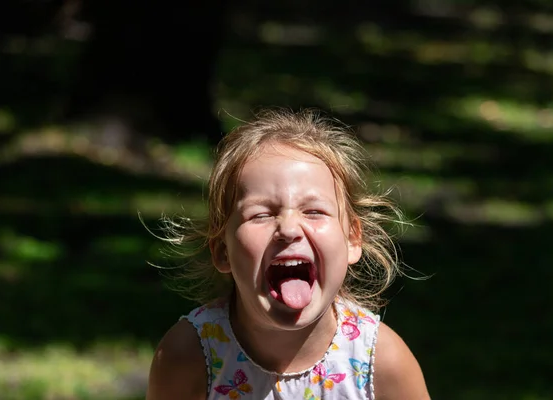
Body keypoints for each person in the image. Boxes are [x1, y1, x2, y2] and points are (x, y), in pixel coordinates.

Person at [146, 109, 430, 399]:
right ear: (222, 251)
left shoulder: (382, 363)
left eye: (314, 211)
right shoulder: (188, 356)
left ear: (352, 239)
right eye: (260, 214)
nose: (289, 228)